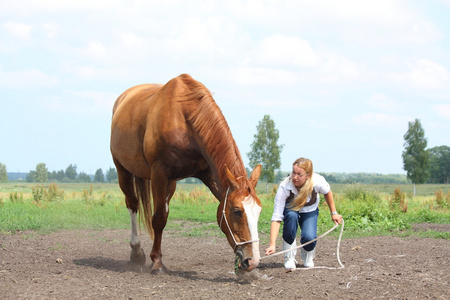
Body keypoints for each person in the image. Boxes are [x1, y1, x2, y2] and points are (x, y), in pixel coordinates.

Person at [265, 157, 342, 270]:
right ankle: (289, 257)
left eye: (299, 175)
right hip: (291, 209)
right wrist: (272, 244)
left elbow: (327, 193)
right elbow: (277, 217)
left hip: (310, 210)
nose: (295, 177)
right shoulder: (285, 186)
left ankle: (307, 256)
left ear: (308, 175)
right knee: (291, 217)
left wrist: (334, 213)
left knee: (309, 237)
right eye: (293, 173)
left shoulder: (317, 181)